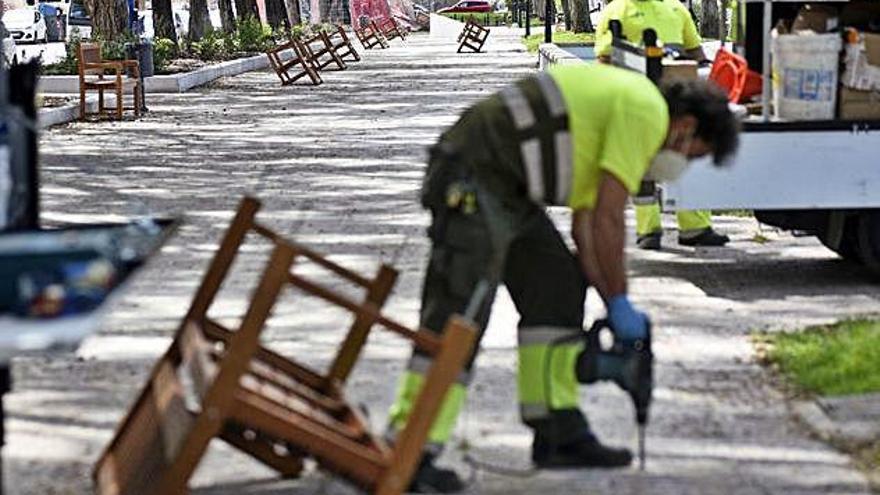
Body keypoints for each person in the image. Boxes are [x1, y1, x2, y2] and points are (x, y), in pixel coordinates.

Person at [386, 63, 739, 493]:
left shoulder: (628, 109)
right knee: (461, 310)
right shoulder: (646, 111)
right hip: (474, 172)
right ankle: (410, 448)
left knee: (557, 285)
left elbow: (586, 229)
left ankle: (558, 428)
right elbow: (609, 218)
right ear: (686, 127)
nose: (685, 164)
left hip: (508, 187)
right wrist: (621, 302)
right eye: (694, 155)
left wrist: (614, 303)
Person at [595, 0, 731, 250]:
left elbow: (696, 54)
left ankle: (695, 227)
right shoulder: (616, 10)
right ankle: (649, 230)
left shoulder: (676, 9)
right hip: (636, 102)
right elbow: (605, 58)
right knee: (642, 166)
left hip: (679, 106)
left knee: (685, 159)